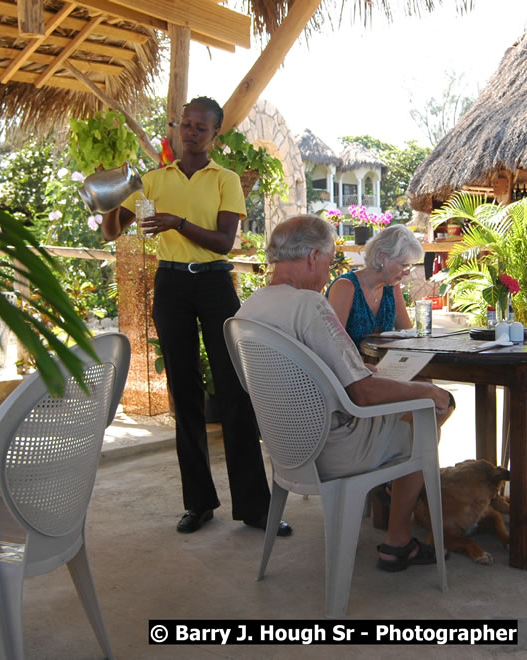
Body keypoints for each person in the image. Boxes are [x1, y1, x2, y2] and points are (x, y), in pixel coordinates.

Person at [100, 96, 290, 537]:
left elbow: (224, 242)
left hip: (214, 283)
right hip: (170, 286)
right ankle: (198, 503)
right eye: (185, 125)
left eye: (200, 128)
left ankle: (255, 507)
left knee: (235, 391)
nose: (190, 133)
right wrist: (116, 192)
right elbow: (111, 231)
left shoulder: (225, 179)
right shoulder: (152, 180)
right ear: (177, 128)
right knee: (182, 393)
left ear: (214, 135)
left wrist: (177, 223)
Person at [237, 214, 454, 571]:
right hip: (335, 448)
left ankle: (390, 497)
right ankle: (398, 541)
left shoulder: (250, 308)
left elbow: (307, 371)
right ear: (312, 257)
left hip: (287, 448)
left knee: (412, 402)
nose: (327, 271)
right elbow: (364, 394)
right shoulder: (310, 305)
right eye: (328, 260)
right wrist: (426, 391)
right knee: (427, 414)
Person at [326, 224, 423, 348]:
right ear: (382, 258)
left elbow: (407, 334)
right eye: (404, 265)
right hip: (349, 365)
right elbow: (333, 345)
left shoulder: (392, 288)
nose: (408, 272)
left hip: (383, 364)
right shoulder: (345, 287)